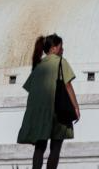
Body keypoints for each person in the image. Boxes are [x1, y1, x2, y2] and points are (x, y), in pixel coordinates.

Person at [17, 34, 80, 169]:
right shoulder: (60, 61)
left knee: (39, 148)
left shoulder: (38, 66)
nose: (62, 50)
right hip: (57, 110)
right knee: (55, 147)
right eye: (60, 47)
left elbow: (30, 88)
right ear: (53, 48)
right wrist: (76, 107)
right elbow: (67, 85)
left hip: (39, 112)